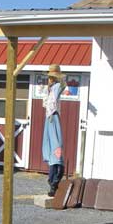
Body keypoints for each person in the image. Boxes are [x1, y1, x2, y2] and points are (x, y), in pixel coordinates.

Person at [42, 64, 67, 197]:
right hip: (49, 119)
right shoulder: (49, 89)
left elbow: (63, 84)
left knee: (57, 149)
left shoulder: (57, 87)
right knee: (51, 149)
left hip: (53, 117)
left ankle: (55, 181)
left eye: (51, 77)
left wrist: (59, 77)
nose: (50, 79)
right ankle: (52, 181)